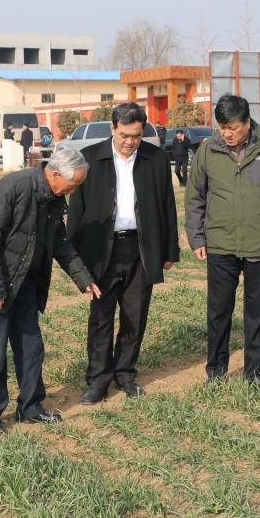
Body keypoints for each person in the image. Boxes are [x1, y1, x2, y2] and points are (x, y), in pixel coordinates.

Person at [0, 147, 101, 434]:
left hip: (25, 281)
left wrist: (83, 278)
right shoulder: (13, 187)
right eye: (73, 184)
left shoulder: (54, 198)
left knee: (31, 346)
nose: (74, 190)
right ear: (56, 174)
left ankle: (31, 408)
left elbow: (59, 242)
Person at [185, 95, 260, 385]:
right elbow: (195, 196)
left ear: (247, 122)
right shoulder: (208, 150)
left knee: (256, 311)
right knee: (218, 312)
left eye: (233, 127)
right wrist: (197, 237)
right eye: (222, 127)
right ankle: (216, 371)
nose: (227, 134)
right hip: (220, 243)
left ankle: (253, 372)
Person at [67, 103, 179, 404]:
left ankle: (126, 373)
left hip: (141, 248)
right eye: (125, 135)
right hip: (101, 249)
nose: (130, 141)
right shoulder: (90, 158)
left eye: (137, 136)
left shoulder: (155, 158)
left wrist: (169, 250)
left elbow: (167, 205)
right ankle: (98, 379)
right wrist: (75, 260)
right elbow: (76, 213)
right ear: (113, 129)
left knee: (135, 314)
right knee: (101, 317)